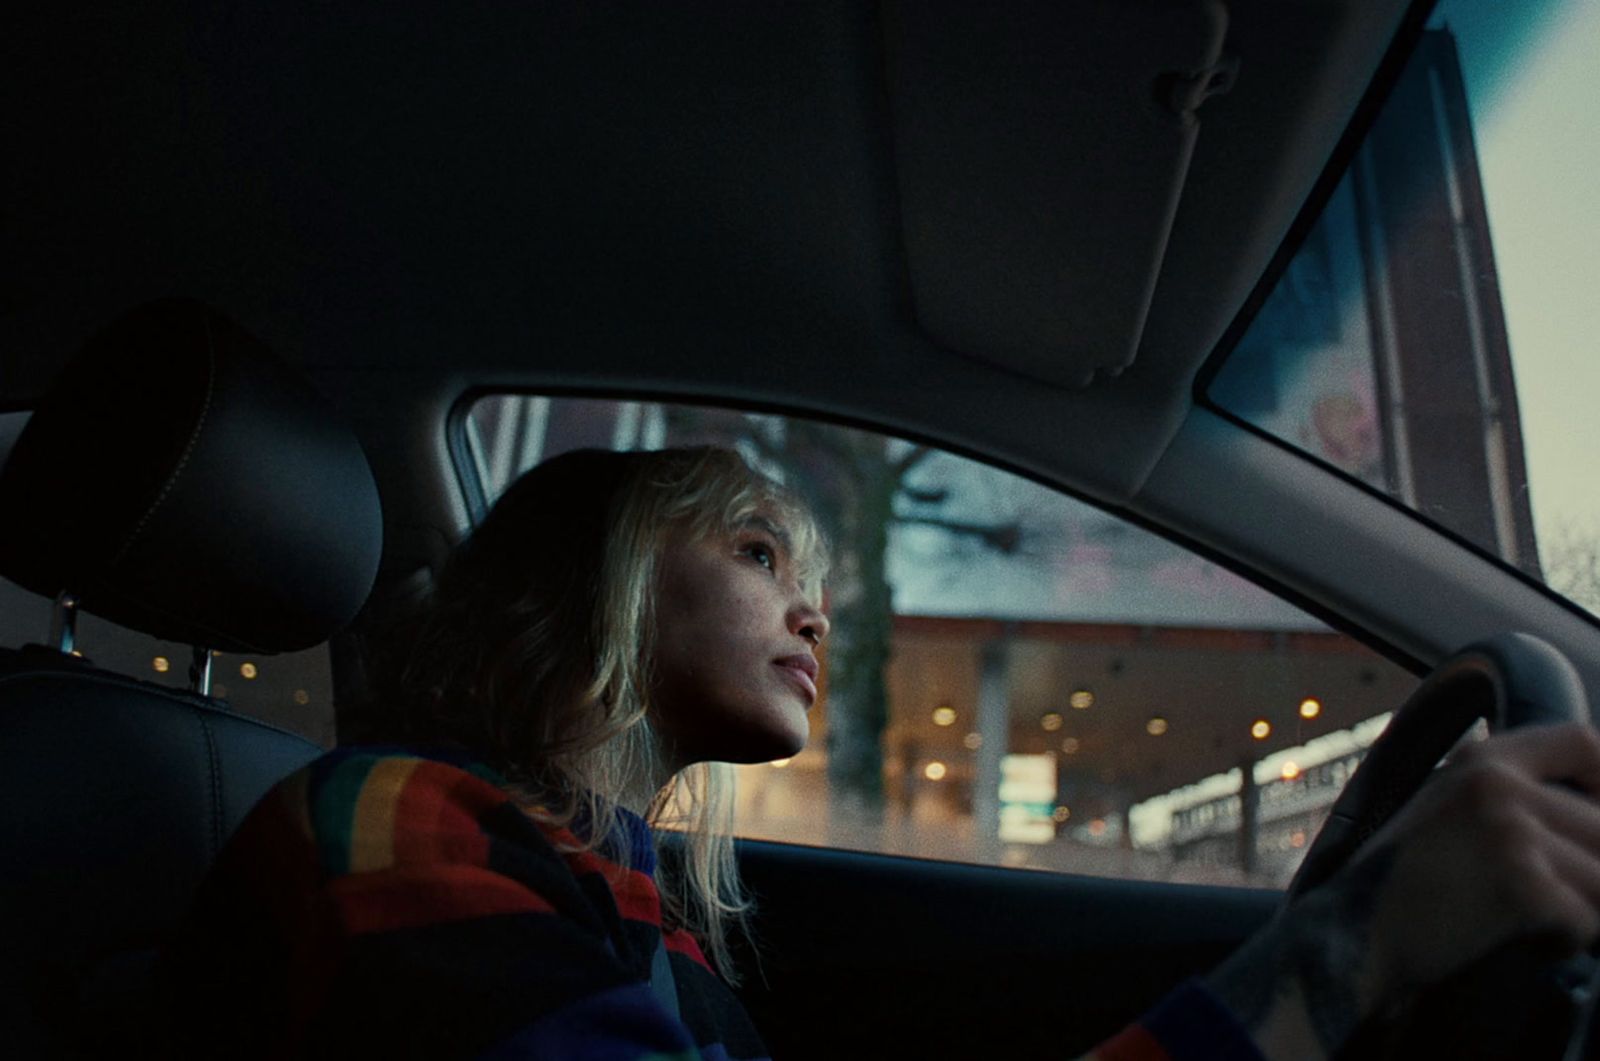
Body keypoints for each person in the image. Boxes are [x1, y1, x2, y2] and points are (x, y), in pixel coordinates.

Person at [162, 445, 1600, 1060]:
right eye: (754, 546)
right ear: (591, 576)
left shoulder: (627, 892)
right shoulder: (397, 824)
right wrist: (1342, 954)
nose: (812, 605)